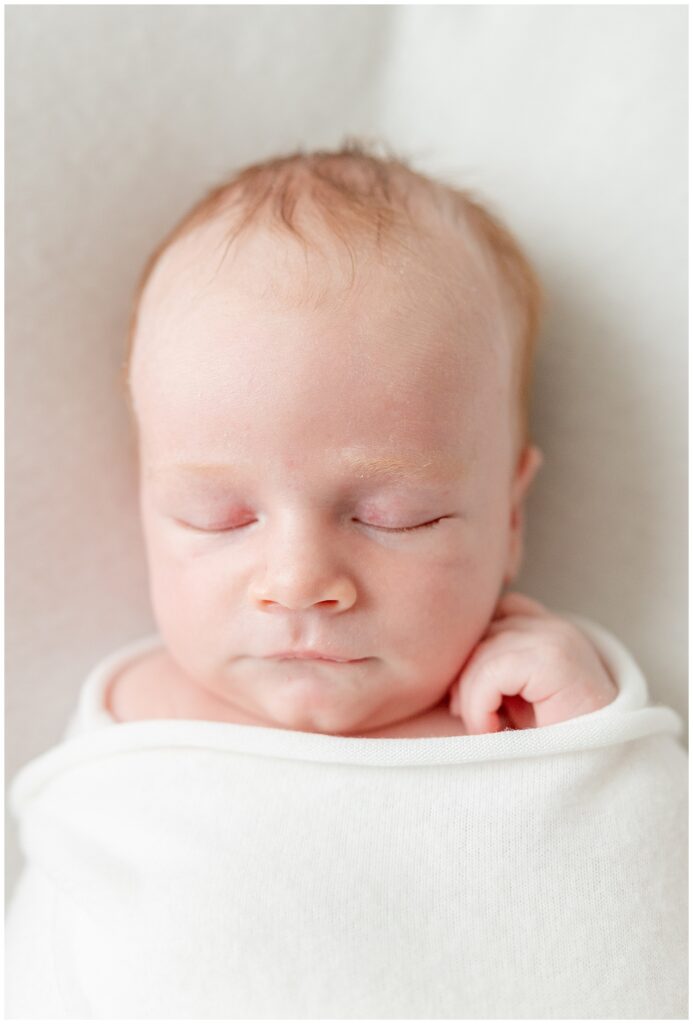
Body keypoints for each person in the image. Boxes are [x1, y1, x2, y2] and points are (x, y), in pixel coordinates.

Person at [6, 144, 685, 1019]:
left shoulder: (534, 708)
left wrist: (590, 748)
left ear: (510, 519)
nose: (297, 582)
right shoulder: (131, 728)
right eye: (216, 514)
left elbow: (642, 912)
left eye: (396, 515)